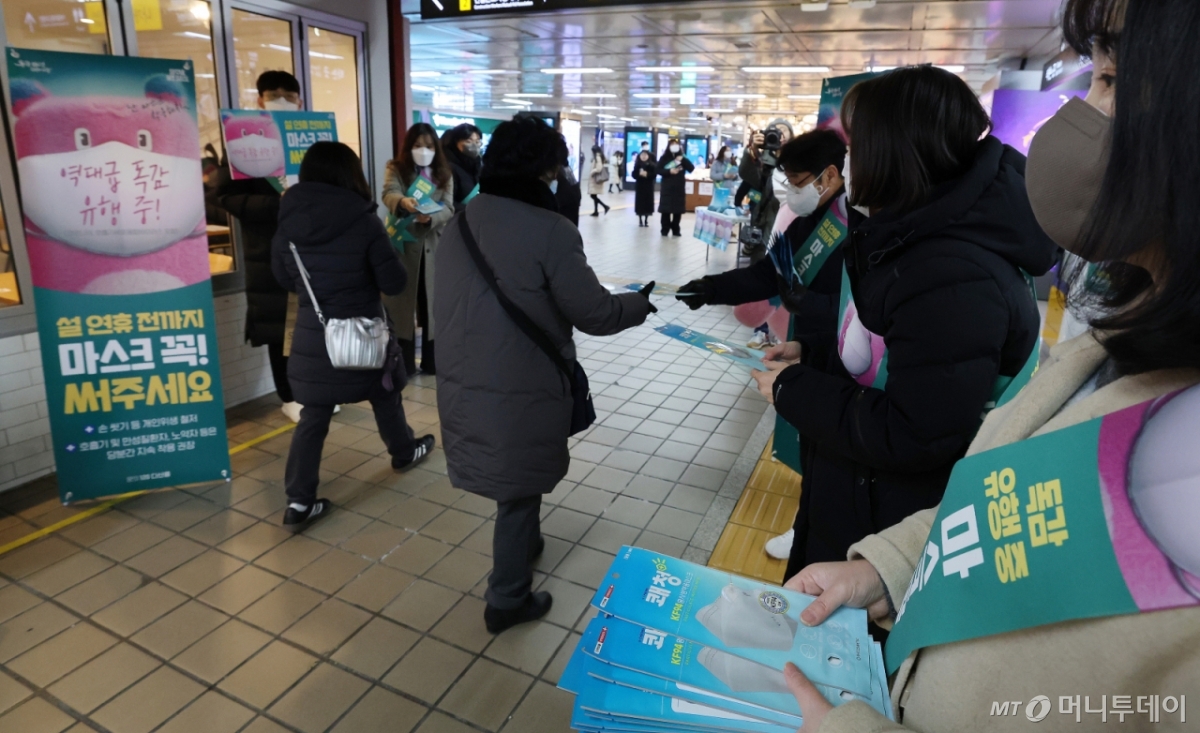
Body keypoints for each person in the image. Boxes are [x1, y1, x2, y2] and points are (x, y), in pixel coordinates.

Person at [778, 2, 1200, 729]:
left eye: (1109, 76)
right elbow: (1016, 508)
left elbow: (922, 430)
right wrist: (891, 565)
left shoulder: (956, 275)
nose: (1079, 116)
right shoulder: (1125, 347)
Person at [746, 66, 1057, 580]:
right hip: (862, 498)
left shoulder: (953, 273)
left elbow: (916, 431)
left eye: (856, 142)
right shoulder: (910, 236)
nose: (846, 160)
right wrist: (814, 356)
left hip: (890, 530)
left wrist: (794, 390)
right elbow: (902, 360)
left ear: (894, 148)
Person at [435, 116, 655, 633]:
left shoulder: (460, 222)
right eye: (556, 167)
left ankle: (527, 542)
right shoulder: (551, 229)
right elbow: (595, 314)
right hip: (520, 383)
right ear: (542, 169)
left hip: (463, 377)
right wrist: (639, 304)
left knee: (513, 477)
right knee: (516, 487)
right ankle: (506, 599)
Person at [680, 130, 849, 560]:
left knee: (838, 453)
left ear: (830, 176)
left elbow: (864, 306)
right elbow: (767, 276)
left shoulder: (857, 228)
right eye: (786, 179)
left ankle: (824, 537)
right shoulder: (806, 224)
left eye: (797, 180)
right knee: (815, 445)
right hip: (813, 352)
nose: (790, 190)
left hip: (851, 365)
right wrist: (709, 288)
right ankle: (807, 525)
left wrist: (815, 303)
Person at [271, 142, 436, 533]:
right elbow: (394, 283)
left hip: (317, 338)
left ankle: (298, 502)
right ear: (351, 174)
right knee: (384, 392)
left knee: (314, 416)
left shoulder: (288, 224)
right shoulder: (364, 221)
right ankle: (403, 451)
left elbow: (284, 280)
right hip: (364, 334)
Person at [217, 70, 306, 422]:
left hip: (313, 249)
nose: (282, 100)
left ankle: (314, 388)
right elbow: (225, 196)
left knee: (313, 323)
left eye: (289, 95)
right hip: (267, 251)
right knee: (278, 326)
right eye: (274, 94)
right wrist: (278, 204)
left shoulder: (312, 140)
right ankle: (289, 395)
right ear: (259, 100)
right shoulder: (243, 142)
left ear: (300, 101)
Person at [382, 123, 454, 376]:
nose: (423, 150)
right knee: (402, 305)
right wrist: (403, 201)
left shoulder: (443, 172)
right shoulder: (396, 168)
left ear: (436, 148)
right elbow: (389, 193)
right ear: (408, 147)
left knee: (431, 303)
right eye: (417, 145)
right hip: (403, 244)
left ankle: (432, 361)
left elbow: (448, 207)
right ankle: (404, 362)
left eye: (428, 146)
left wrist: (431, 218)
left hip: (432, 246)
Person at [657, 137, 695, 236]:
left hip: (679, 187)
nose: (674, 146)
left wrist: (683, 160)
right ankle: (664, 229)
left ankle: (676, 229)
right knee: (665, 210)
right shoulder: (664, 157)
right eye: (672, 144)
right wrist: (669, 171)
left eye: (676, 145)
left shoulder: (683, 157)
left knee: (677, 211)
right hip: (667, 187)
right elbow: (658, 170)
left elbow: (691, 168)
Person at [440, 123, 482, 206]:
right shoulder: (448, 167)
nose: (474, 145)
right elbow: (447, 202)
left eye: (477, 141)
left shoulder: (478, 165)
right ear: (455, 142)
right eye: (468, 141)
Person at [632, 148, 656, 227]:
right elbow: (634, 174)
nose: (643, 157)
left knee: (647, 203)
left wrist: (647, 174)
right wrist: (639, 174)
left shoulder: (652, 164)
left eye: (645, 155)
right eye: (642, 155)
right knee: (640, 203)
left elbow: (654, 175)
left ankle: (646, 219)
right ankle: (640, 220)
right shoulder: (637, 164)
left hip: (648, 186)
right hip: (640, 186)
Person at [587, 146, 611, 216]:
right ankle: (596, 211)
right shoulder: (599, 156)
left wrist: (592, 172)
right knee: (594, 195)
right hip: (595, 179)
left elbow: (599, 168)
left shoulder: (597, 157)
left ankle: (605, 206)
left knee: (593, 196)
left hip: (595, 179)